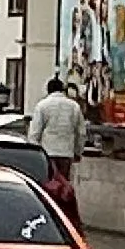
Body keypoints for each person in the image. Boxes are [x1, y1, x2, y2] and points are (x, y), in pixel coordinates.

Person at [30, 71, 87, 217]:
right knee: (64, 186)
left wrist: (34, 153)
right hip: (66, 153)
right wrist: (78, 152)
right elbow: (81, 132)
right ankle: (64, 213)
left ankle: (49, 212)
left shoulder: (42, 106)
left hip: (47, 154)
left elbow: (35, 133)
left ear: (48, 90)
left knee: (48, 185)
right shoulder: (74, 107)